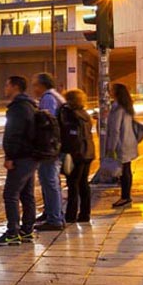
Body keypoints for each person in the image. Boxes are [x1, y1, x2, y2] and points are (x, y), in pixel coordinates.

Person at [0, 75, 38, 246]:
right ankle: (27, 231)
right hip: (31, 156)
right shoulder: (31, 105)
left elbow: (14, 134)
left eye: (7, 85)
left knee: (10, 194)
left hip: (21, 157)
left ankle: (12, 232)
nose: (5, 88)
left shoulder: (18, 107)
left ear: (15, 87)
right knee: (27, 195)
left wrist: (10, 156)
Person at [31, 72, 66, 230]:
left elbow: (46, 124)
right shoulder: (56, 96)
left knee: (49, 182)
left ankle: (54, 219)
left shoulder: (48, 98)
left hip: (50, 148)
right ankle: (51, 213)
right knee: (51, 182)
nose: (33, 88)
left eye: (35, 85)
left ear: (42, 85)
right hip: (56, 146)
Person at [58, 89, 95, 223]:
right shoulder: (85, 114)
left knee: (73, 185)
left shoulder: (70, 115)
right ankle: (85, 214)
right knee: (83, 184)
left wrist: (66, 152)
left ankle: (71, 215)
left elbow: (71, 136)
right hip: (88, 152)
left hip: (76, 153)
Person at [105, 82, 138, 208]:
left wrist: (111, 148)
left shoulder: (118, 107)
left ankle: (125, 197)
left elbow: (115, 129)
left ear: (117, 93)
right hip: (128, 141)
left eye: (112, 90)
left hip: (121, 144)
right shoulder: (127, 106)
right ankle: (126, 196)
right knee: (126, 169)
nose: (110, 92)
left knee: (124, 171)